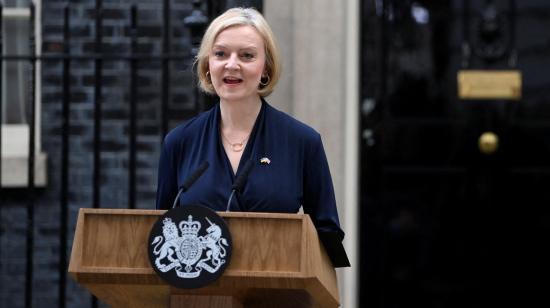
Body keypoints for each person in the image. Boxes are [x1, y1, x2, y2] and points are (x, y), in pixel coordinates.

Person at [156, 7, 344, 240]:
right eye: (221, 54)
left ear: (266, 67)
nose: (232, 64)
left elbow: (328, 236)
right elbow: (162, 232)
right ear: (207, 65)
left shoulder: (303, 142)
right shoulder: (179, 142)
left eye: (247, 56)